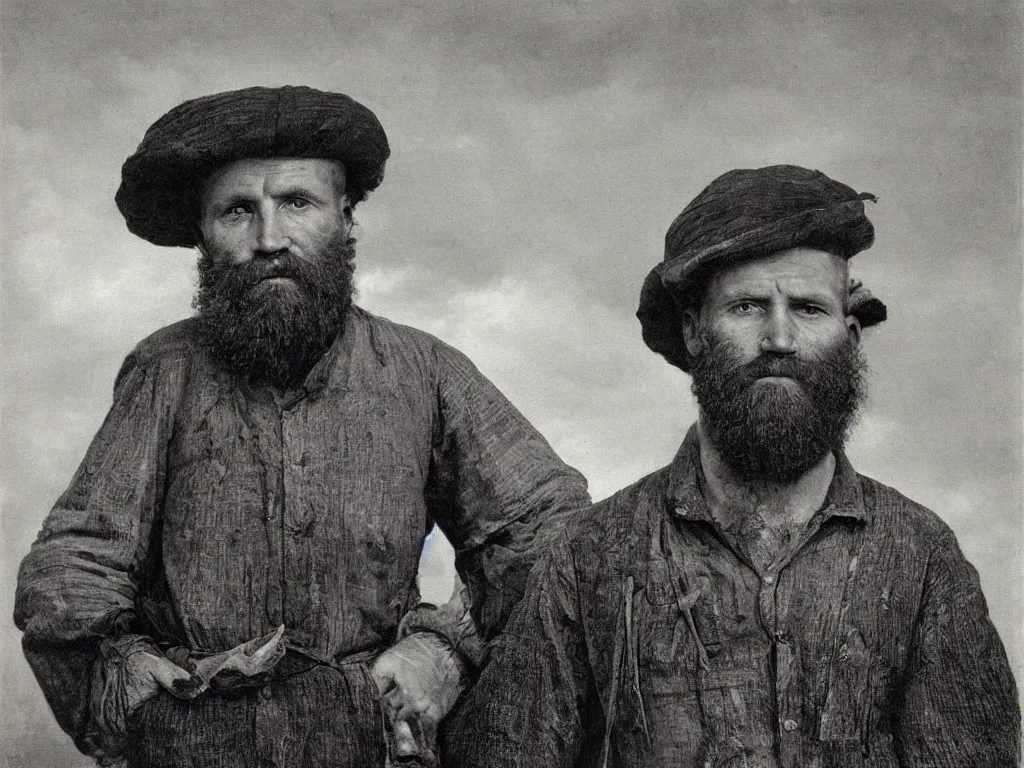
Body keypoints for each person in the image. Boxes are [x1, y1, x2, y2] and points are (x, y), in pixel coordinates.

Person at [13, 85, 591, 768]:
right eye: (237, 211)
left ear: (345, 220)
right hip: (196, 747)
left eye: (297, 203)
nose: (269, 239)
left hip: (375, 749)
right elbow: (67, 572)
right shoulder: (164, 371)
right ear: (203, 232)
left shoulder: (423, 371)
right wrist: (128, 686)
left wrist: (448, 648)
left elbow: (553, 534)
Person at [444, 165, 1020, 767]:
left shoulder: (923, 559)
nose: (779, 337)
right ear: (694, 330)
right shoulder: (590, 558)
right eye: (747, 306)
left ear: (849, 335)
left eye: (808, 308)